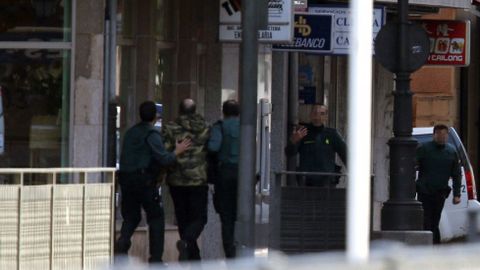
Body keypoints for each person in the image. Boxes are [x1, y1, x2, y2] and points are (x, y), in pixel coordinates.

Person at [115, 101, 191, 264]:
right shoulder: (152, 134)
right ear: (156, 117)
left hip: (126, 180)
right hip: (144, 182)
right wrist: (177, 151)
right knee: (156, 218)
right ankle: (155, 259)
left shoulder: (130, 133)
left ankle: (122, 244)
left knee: (132, 217)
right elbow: (163, 158)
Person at [162, 98, 210, 261]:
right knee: (200, 218)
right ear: (195, 110)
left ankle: (193, 256)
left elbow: (165, 153)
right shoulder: (204, 128)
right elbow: (212, 150)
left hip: (176, 181)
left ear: (179, 110)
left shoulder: (170, 128)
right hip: (198, 180)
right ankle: (188, 245)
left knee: (183, 219)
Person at [416, 124, 461, 244]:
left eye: (444, 135)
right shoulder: (424, 148)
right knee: (426, 221)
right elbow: (412, 165)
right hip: (424, 192)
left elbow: (457, 174)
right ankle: (428, 245)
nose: (442, 137)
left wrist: (457, 194)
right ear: (434, 135)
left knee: (435, 221)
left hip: (440, 193)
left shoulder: (451, 151)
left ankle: (434, 246)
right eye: (439, 134)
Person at [208, 99, 240, 258]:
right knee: (241, 214)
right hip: (244, 176)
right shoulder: (245, 127)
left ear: (223, 112)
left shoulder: (219, 126)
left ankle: (230, 254)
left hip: (225, 174)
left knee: (226, 217)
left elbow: (213, 147)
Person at [285, 104, 346, 187]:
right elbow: (289, 153)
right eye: (315, 113)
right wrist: (293, 141)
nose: (318, 116)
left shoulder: (332, 134)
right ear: (310, 115)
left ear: (326, 117)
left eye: (322, 113)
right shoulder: (303, 133)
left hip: (327, 182)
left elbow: (346, 155)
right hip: (306, 181)